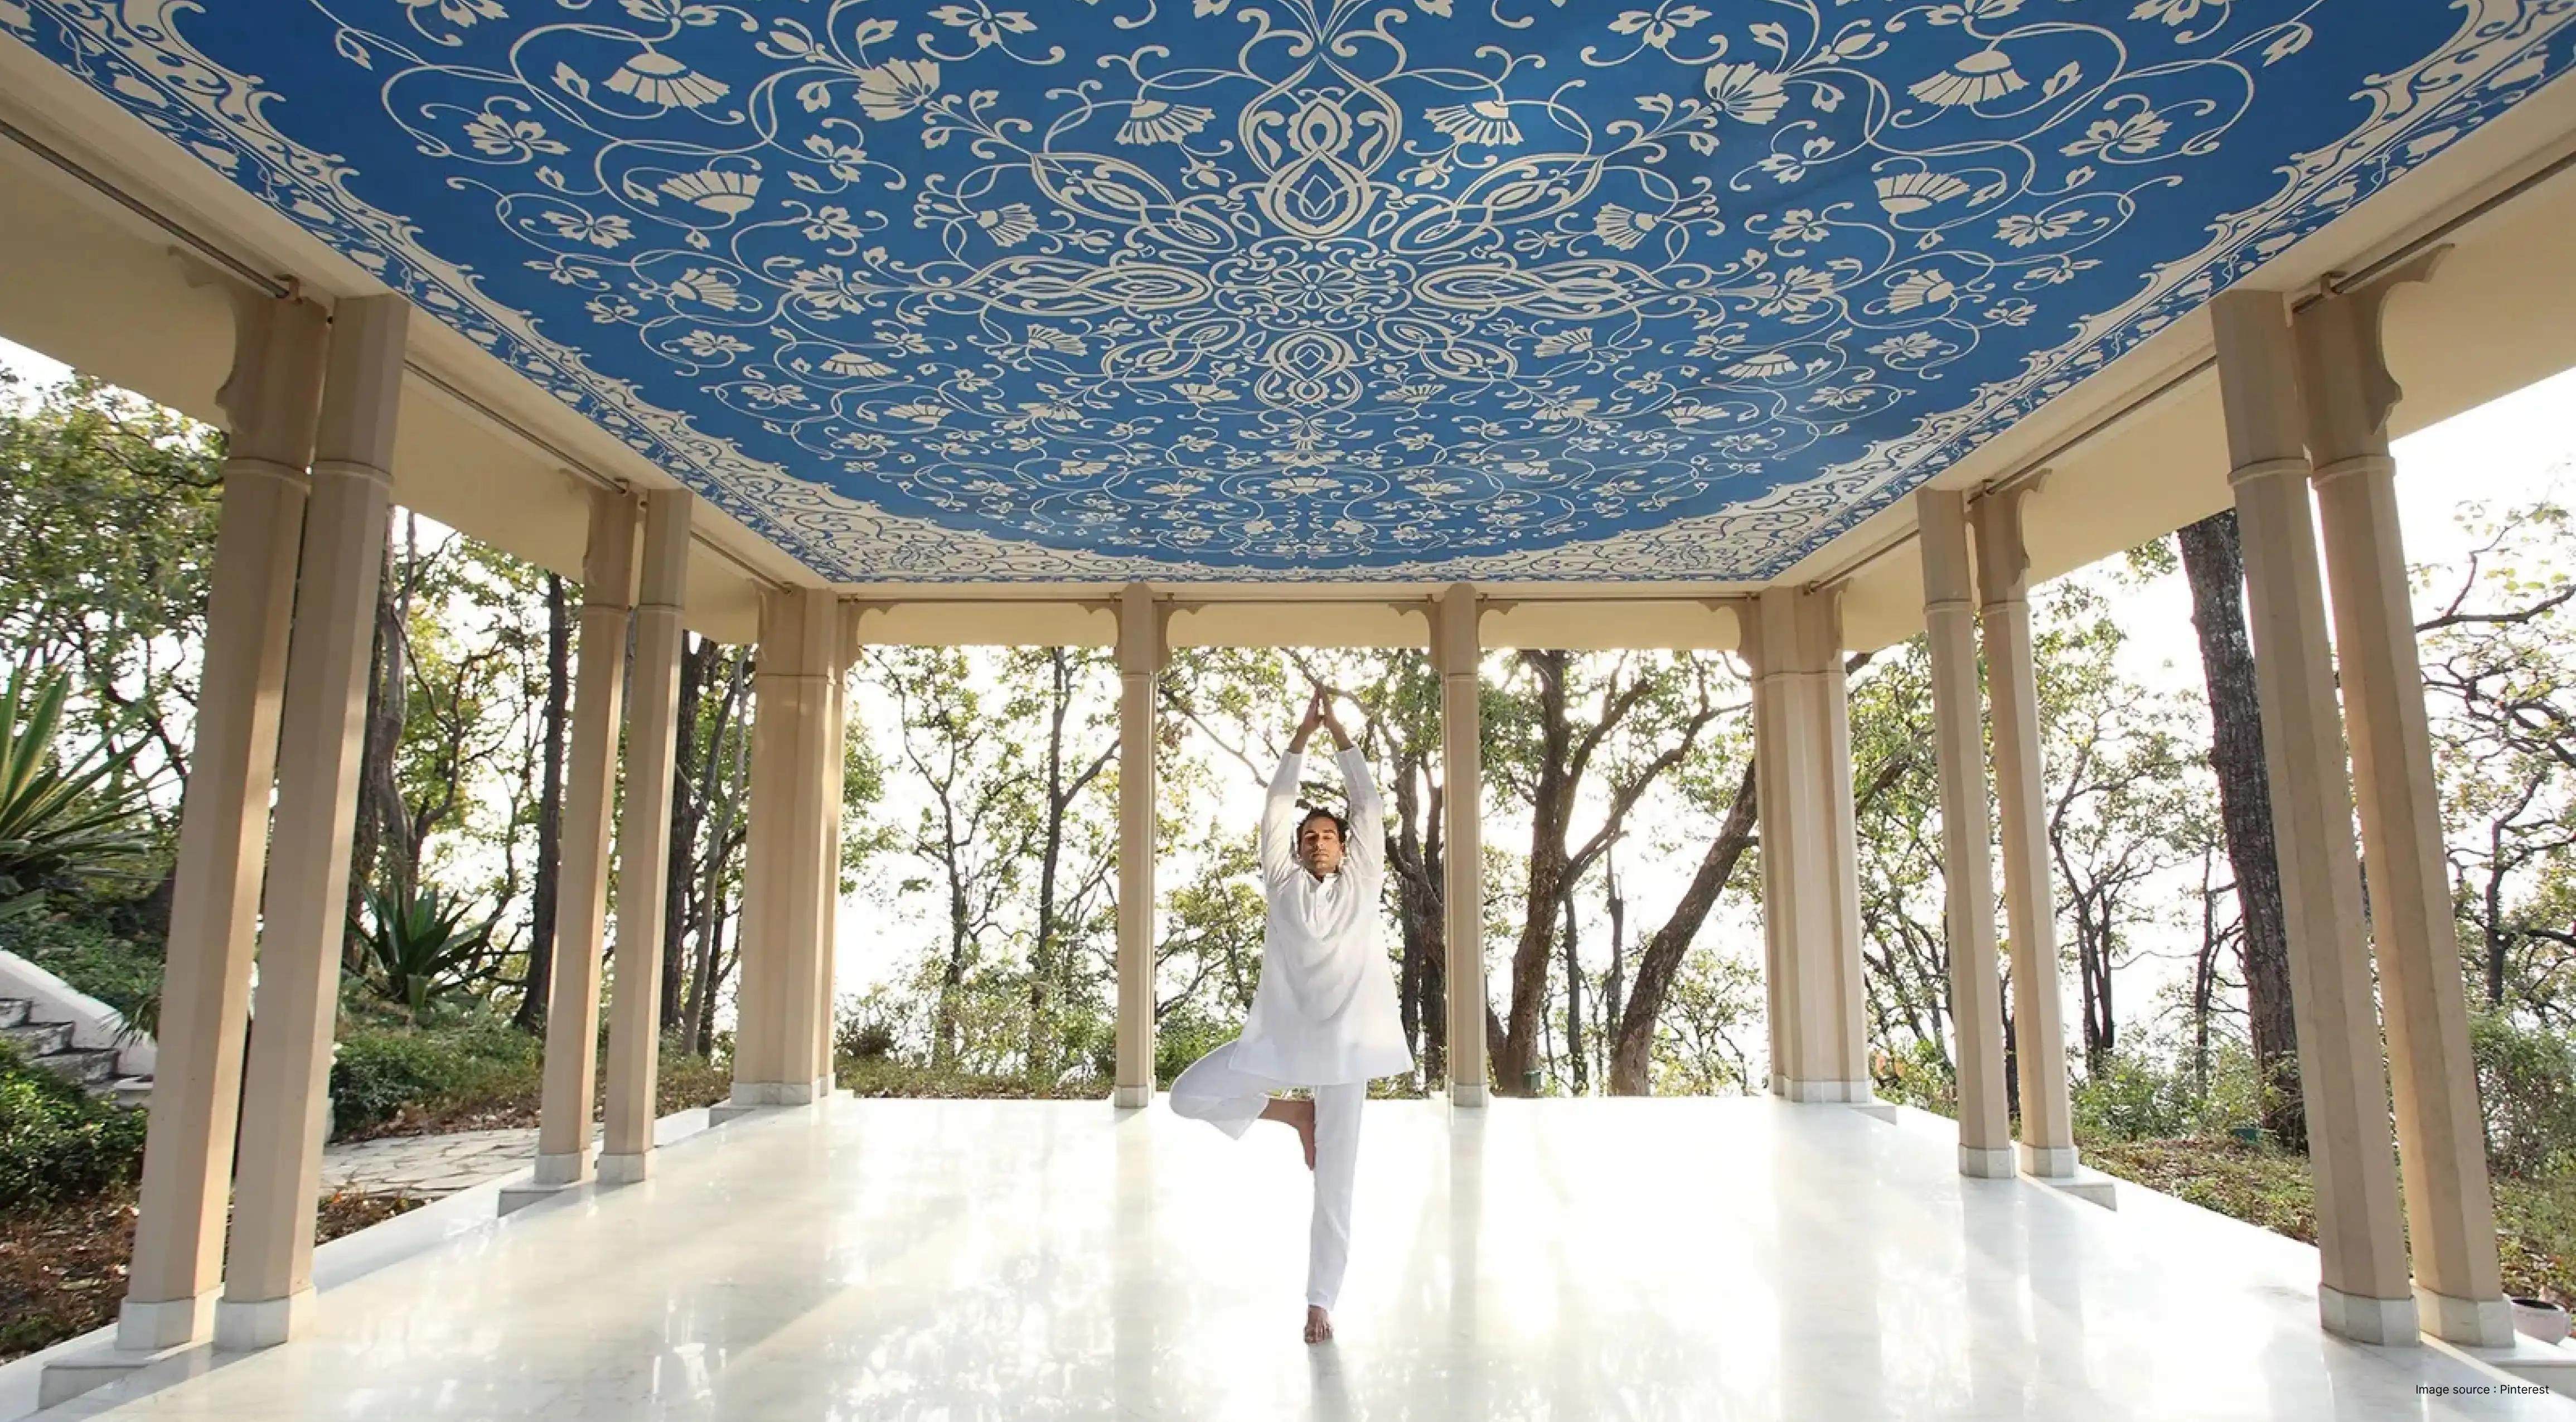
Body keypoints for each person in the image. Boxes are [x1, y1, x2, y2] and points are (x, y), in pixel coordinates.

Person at [1167, 683, 1412, 1344]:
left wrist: (1340, 734)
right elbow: (1277, 807)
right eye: (1309, 836)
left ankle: (1320, 1302)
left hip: (1345, 1056)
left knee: (1335, 1186)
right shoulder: (1281, 883)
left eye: (1327, 835)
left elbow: (1369, 802)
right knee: (1186, 1097)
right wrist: (1300, 738)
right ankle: (1291, 1113)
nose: (1317, 842)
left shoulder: (1363, 882)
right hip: (1280, 1044)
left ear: (1344, 845)